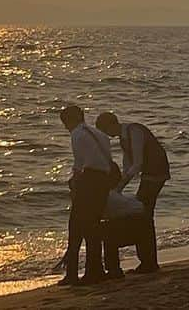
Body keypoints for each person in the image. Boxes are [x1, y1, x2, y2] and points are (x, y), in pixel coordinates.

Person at [94, 112, 170, 273]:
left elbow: (137, 164)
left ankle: (149, 262)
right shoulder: (124, 139)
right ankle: (148, 260)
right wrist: (117, 190)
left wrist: (118, 187)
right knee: (144, 215)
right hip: (148, 174)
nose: (107, 135)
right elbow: (128, 167)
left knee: (144, 215)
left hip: (156, 172)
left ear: (111, 124)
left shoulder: (134, 132)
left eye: (105, 130)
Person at [58, 104, 115, 285]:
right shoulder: (99, 134)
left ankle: (72, 274)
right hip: (103, 182)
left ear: (69, 121)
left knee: (75, 227)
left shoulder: (77, 135)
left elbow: (79, 164)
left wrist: (74, 185)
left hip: (89, 181)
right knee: (93, 228)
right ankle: (94, 270)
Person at [101, 190, 156, 279]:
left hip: (133, 221)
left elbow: (96, 216)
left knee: (107, 234)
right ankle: (148, 263)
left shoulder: (98, 197)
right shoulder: (112, 192)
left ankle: (113, 269)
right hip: (143, 218)